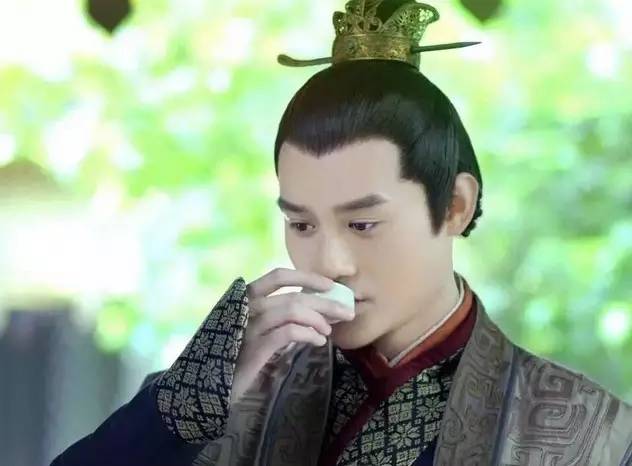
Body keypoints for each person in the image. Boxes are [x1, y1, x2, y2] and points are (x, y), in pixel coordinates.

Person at [51, 1, 632, 465]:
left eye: (362, 224)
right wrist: (180, 408)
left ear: (455, 205)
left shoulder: (594, 434)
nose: (329, 262)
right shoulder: (222, 399)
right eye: (301, 224)